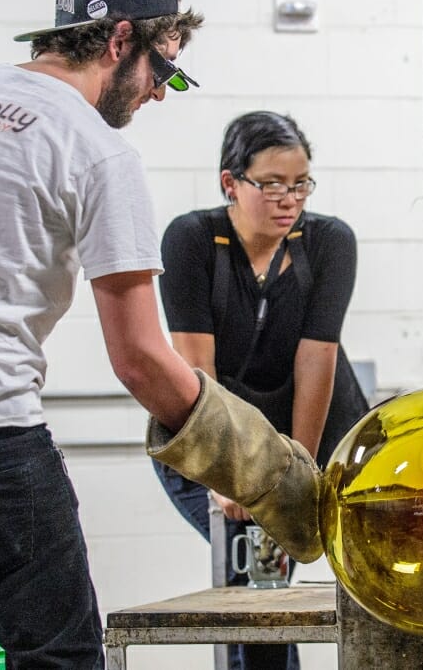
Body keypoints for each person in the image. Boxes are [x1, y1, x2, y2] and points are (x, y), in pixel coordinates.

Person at [0, 0, 321, 666]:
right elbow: (140, 358)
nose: (161, 95)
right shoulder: (97, 150)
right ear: (120, 41)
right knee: (63, 654)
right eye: (163, 69)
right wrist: (267, 472)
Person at [154, 110, 367, 670]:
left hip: (313, 429)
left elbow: (317, 359)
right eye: (270, 184)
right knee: (253, 581)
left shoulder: (329, 242)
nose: (288, 199)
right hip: (213, 430)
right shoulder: (191, 239)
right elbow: (195, 365)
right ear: (231, 183)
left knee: (288, 584)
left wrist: (292, 474)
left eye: (299, 184)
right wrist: (227, 476)